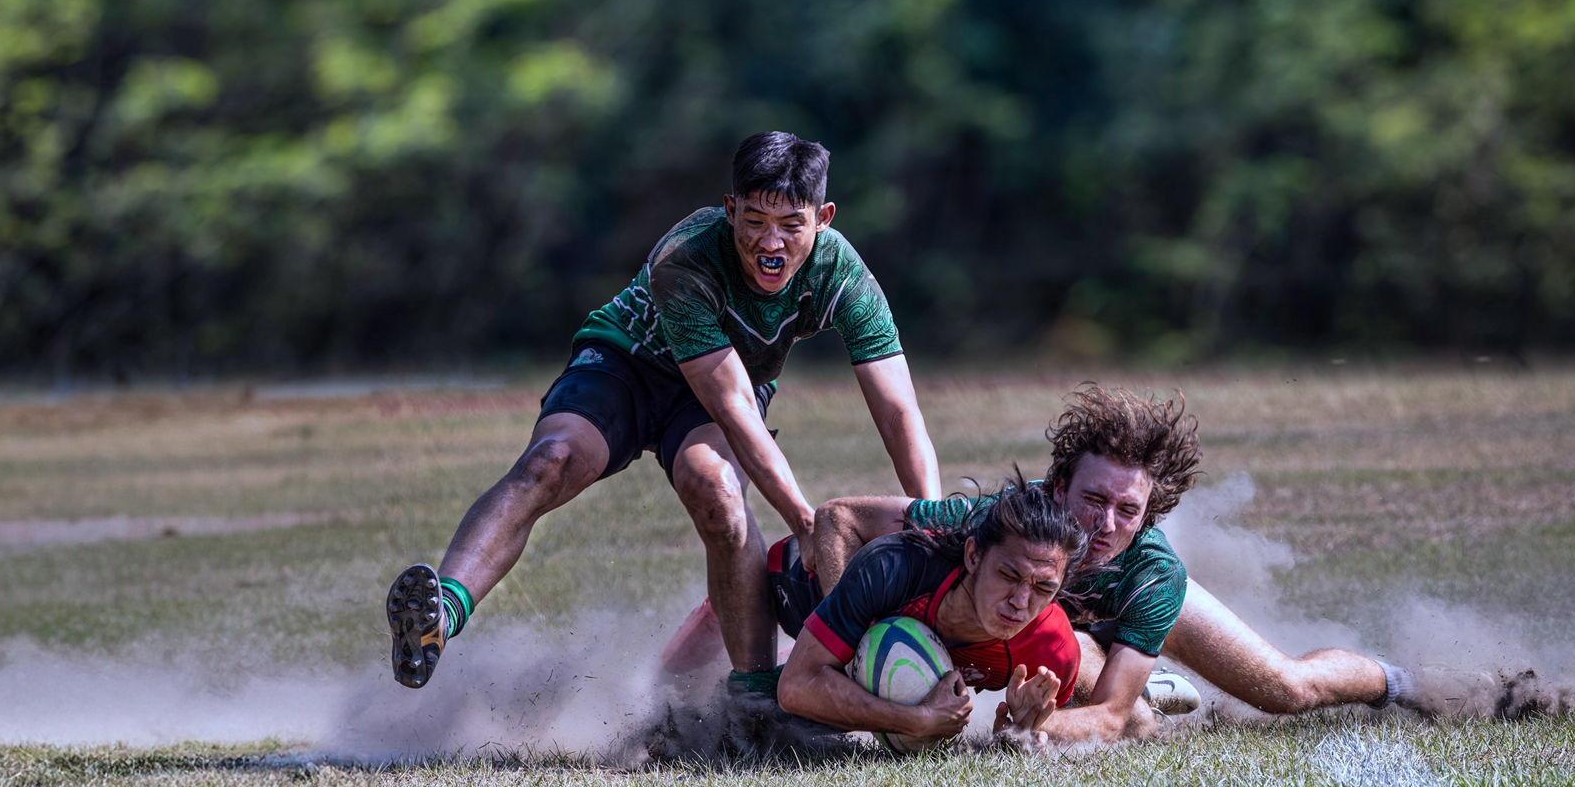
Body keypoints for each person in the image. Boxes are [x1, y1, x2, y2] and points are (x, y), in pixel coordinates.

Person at [385, 131, 943, 696]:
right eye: (753, 221)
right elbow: (733, 410)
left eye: (790, 226)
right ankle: (439, 616)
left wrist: (935, 521)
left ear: (822, 218)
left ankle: (752, 695)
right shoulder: (689, 256)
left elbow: (898, 410)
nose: (770, 243)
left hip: (719, 388)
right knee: (550, 461)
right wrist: (805, 523)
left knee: (720, 495)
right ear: (730, 210)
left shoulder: (843, 274)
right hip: (626, 365)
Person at [675, 384, 1427, 742]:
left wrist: (1029, 731)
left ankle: (1400, 679)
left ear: (1149, 514)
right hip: (1033, 608)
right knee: (1060, 645)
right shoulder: (997, 525)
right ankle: (1140, 681)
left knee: (1286, 688)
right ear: (1058, 484)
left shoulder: (1149, 575)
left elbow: (1101, 717)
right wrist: (860, 646)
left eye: (1127, 511)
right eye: (1091, 501)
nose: (1105, 525)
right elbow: (838, 518)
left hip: (1093, 618)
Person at [774, 482, 1085, 746]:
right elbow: (796, 687)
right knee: (775, 721)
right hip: (796, 581)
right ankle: (758, 674)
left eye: (1043, 588)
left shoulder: (1054, 648)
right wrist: (917, 720)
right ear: (974, 556)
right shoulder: (895, 566)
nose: (1020, 601)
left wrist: (1019, 733)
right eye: (1008, 575)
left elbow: (1040, 736)